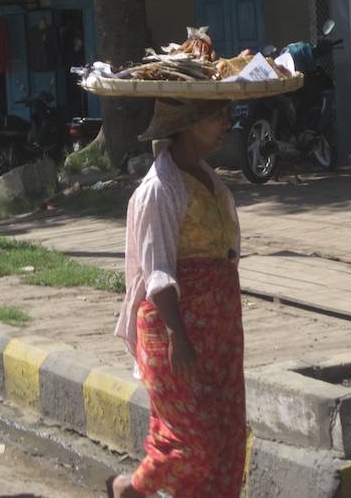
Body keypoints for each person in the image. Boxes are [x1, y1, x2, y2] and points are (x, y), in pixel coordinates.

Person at [110, 98, 246, 498]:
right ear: (187, 123)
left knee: (226, 439)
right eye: (216, 115)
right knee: (190, 445)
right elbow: (157, 272)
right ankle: (127, 490)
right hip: (175, 331)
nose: (226, 123)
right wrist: (178, 335)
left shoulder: (207, 178)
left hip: (220, 332)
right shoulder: (158, 189)